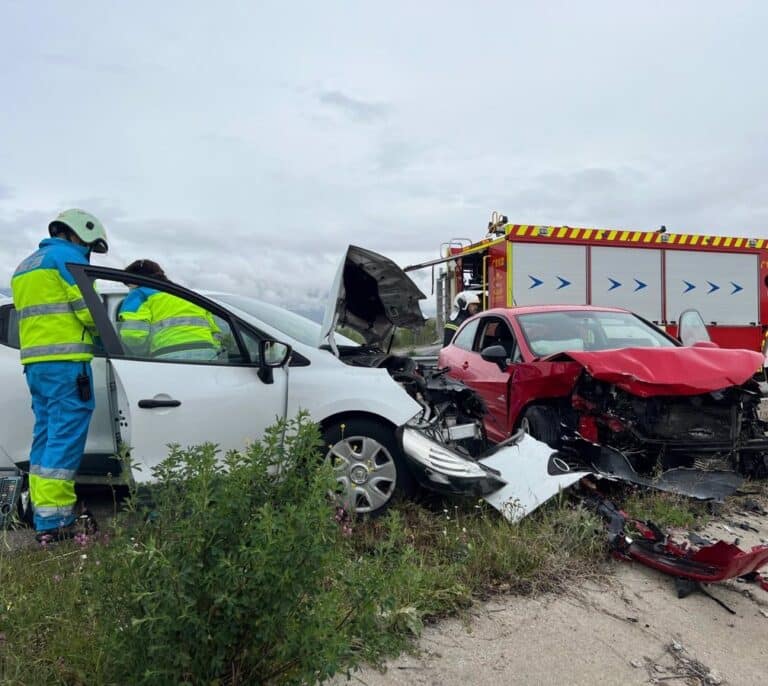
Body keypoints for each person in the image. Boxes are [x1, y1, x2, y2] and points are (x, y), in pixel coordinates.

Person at [11, 209, 108, 541]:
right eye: (90, 245)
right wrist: (107, 334)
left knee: (46, 436)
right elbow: (88, 312)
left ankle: (42, 510)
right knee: (65, 439)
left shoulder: (26, 265)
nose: (88, 253)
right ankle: (56, 522)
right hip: (68, 365)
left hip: (36, 365)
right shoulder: (67, 259)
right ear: (78, 234)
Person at [117, 259, 222, 361]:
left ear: (135, 281)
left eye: (129, 285)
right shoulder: (186, 295)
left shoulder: (139, 294)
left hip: (169, 355)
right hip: (207, 354)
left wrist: (142, 355)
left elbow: (132, 334)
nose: (130, 289)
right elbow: (215, 333)